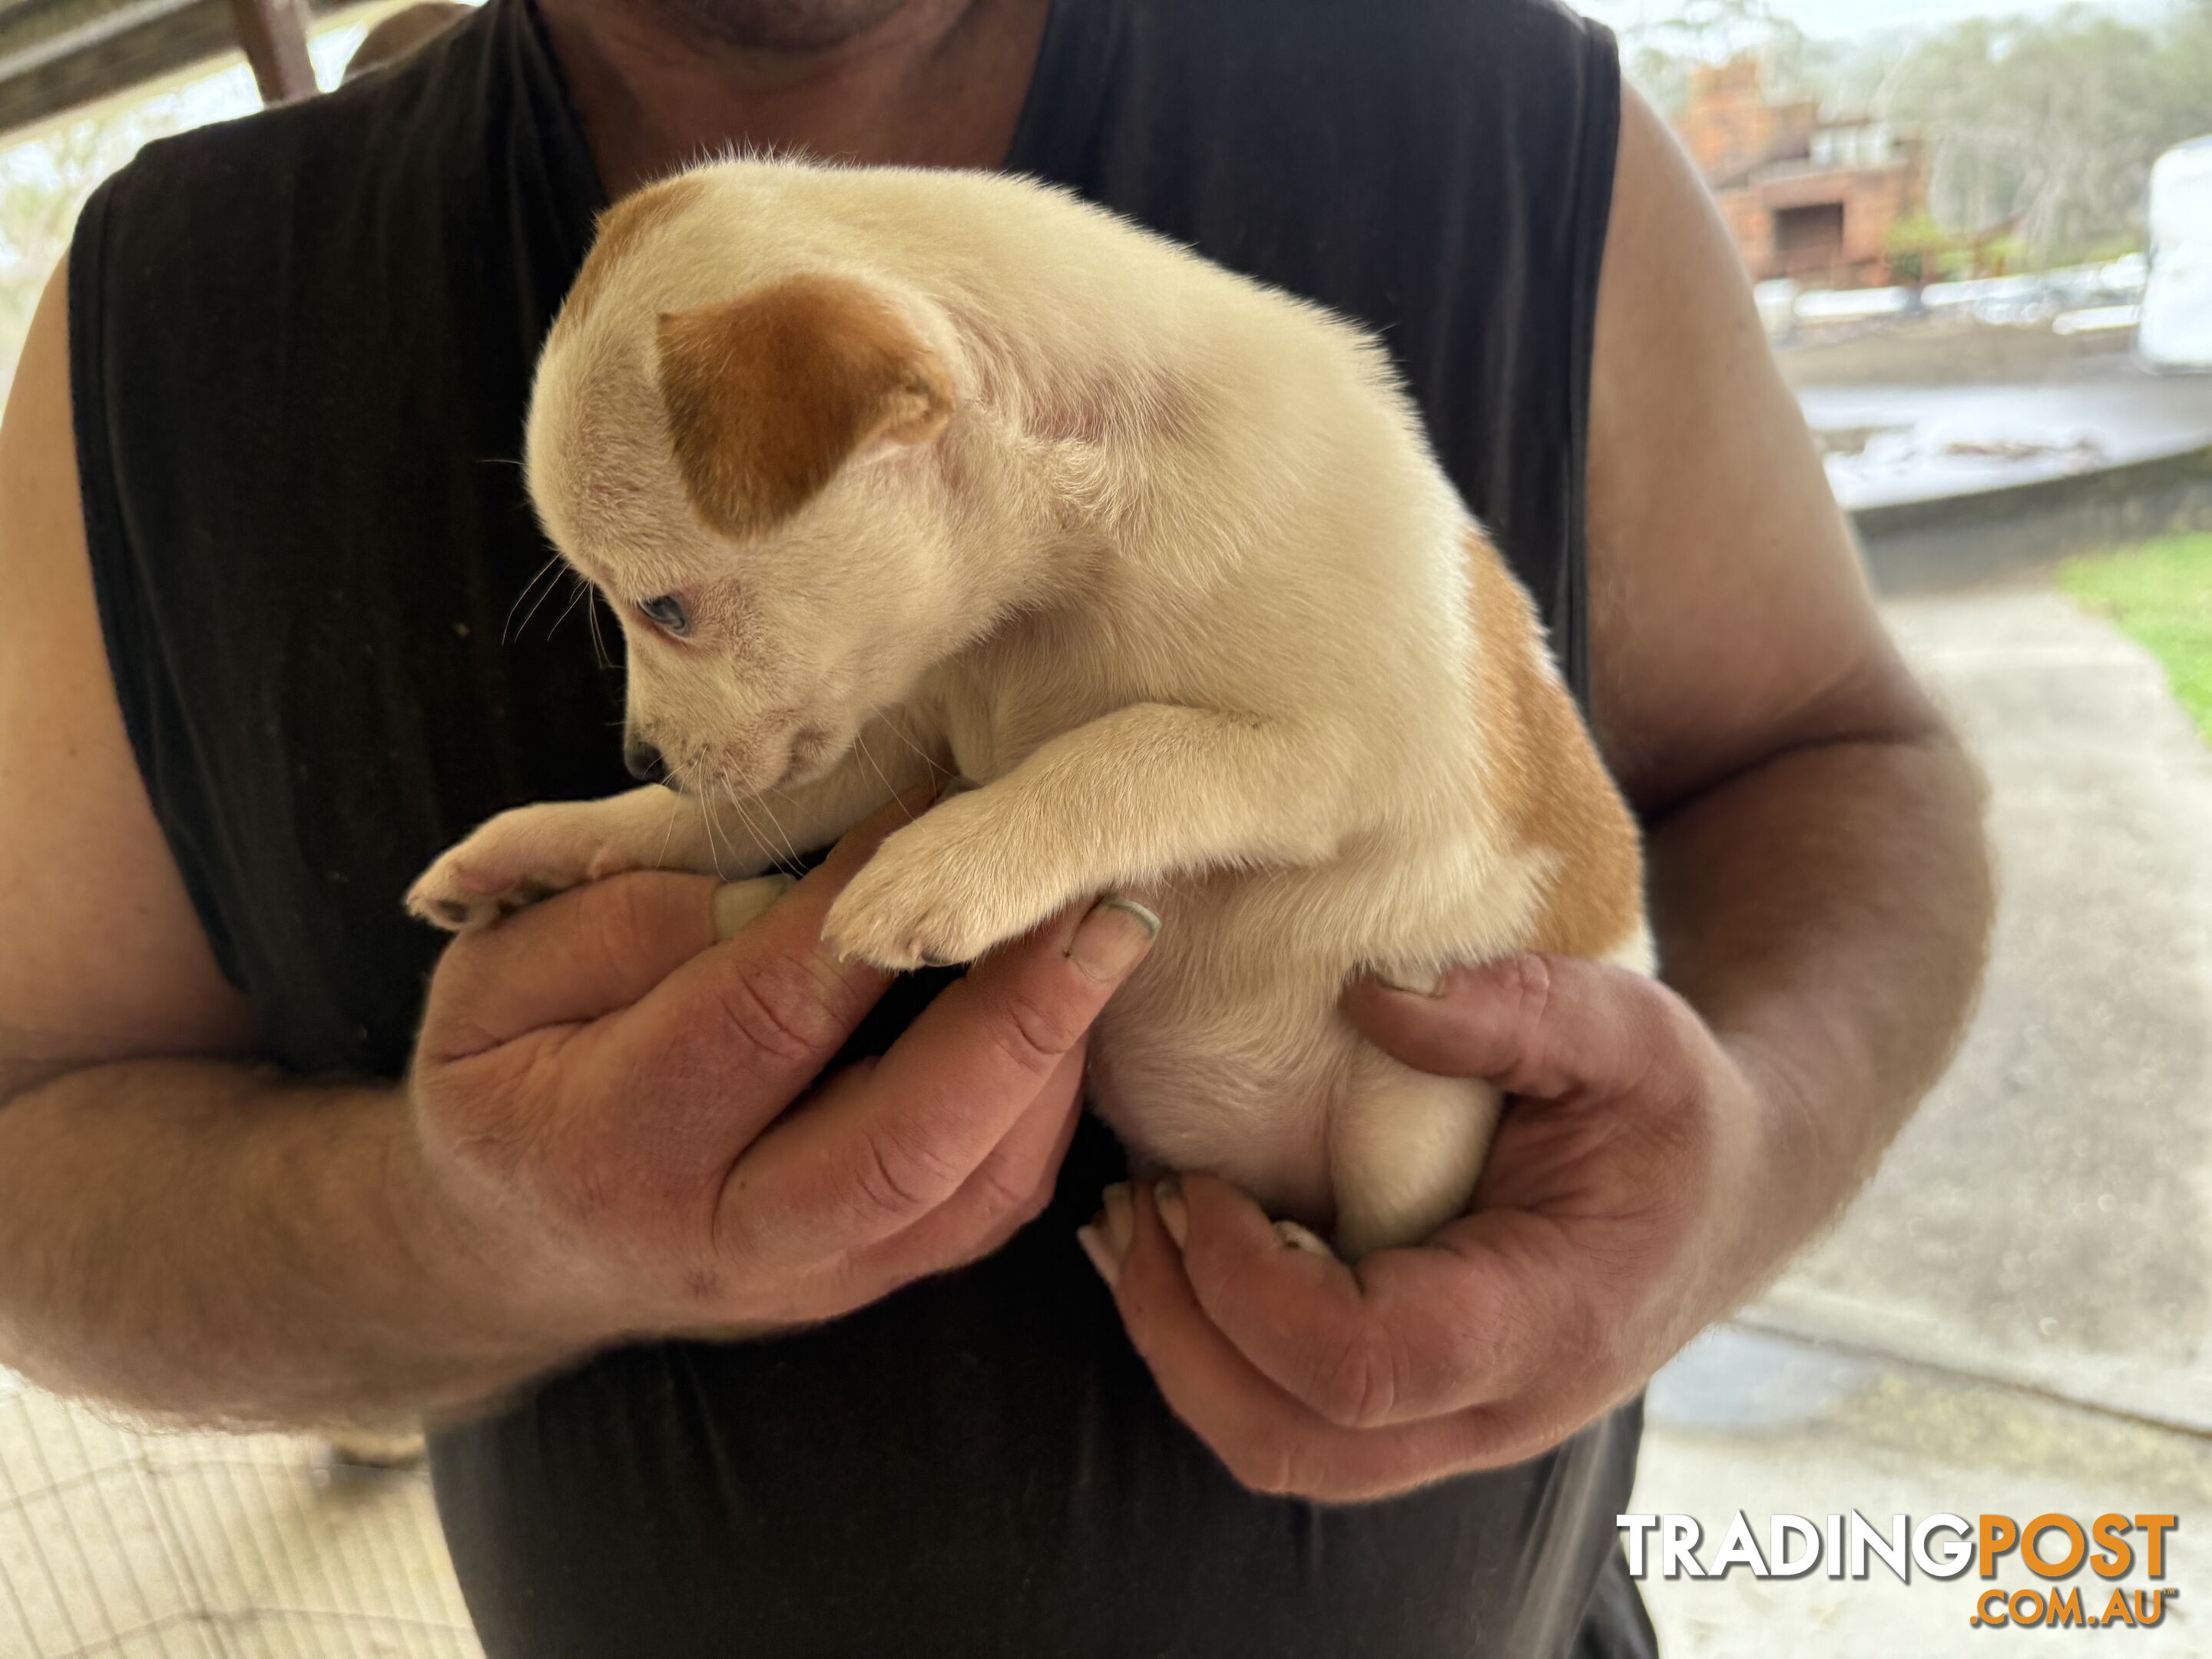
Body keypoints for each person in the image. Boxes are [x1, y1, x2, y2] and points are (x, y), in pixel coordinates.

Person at [0, 0, 1991, 1653]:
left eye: (671, 607)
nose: (652, 686)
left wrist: (1733, 1165)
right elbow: (26, 1148)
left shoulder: (1495, 111)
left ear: (905, 417)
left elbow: (1834, 751)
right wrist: (476, 1227)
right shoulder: (168, 305)